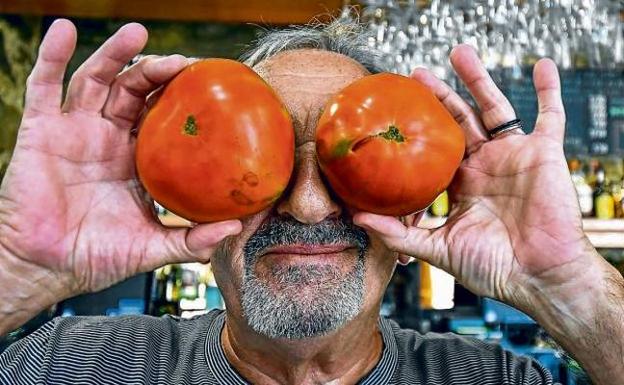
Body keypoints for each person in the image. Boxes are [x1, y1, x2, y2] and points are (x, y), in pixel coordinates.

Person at [0, 17, 622, 385]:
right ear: (191, 206)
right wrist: (16, 271)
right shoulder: (62, 366)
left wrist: (570, 286)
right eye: (256, 158)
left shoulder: (500, 381)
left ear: (412, 210)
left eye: (353, 167)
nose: (306, 205)